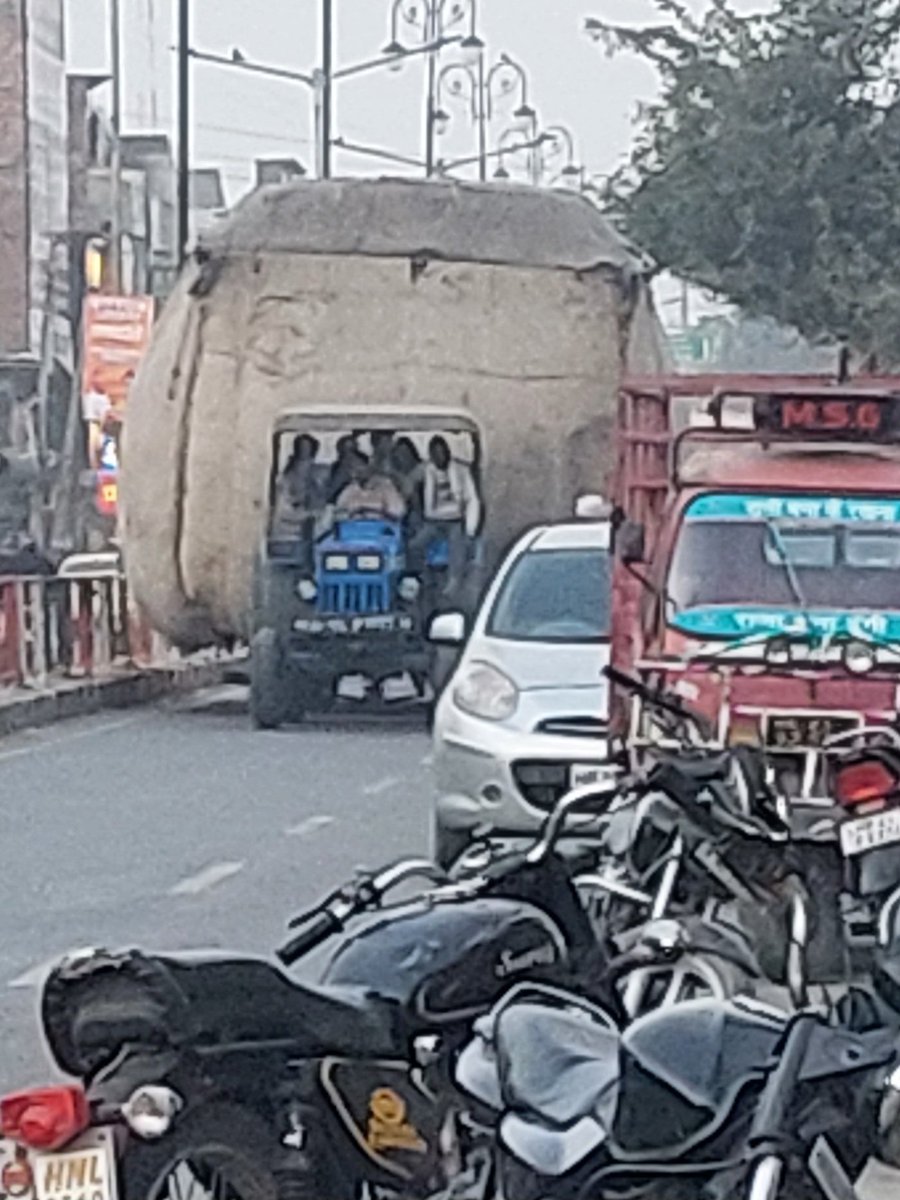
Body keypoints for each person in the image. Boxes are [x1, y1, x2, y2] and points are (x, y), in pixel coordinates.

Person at [422, 436, 482, 593]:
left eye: (441, 452)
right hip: (432, 521)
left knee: (457, 545)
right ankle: (420, 579)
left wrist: (470, 529)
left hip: (455, 520)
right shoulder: (427, 470)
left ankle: (453, 580)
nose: (438, 457)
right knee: (415, 544)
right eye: (434, 453)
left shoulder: (461, 470)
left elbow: (472, 499)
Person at [336, 450, 406, 520]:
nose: (355, 470)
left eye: (358, 465)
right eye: (350, 467)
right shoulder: (349, 489)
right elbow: (339, 512)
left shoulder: (385, 486)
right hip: (353, 527)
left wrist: (369, 511)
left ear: (368, 465)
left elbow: (397, 511)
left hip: (380, 527)